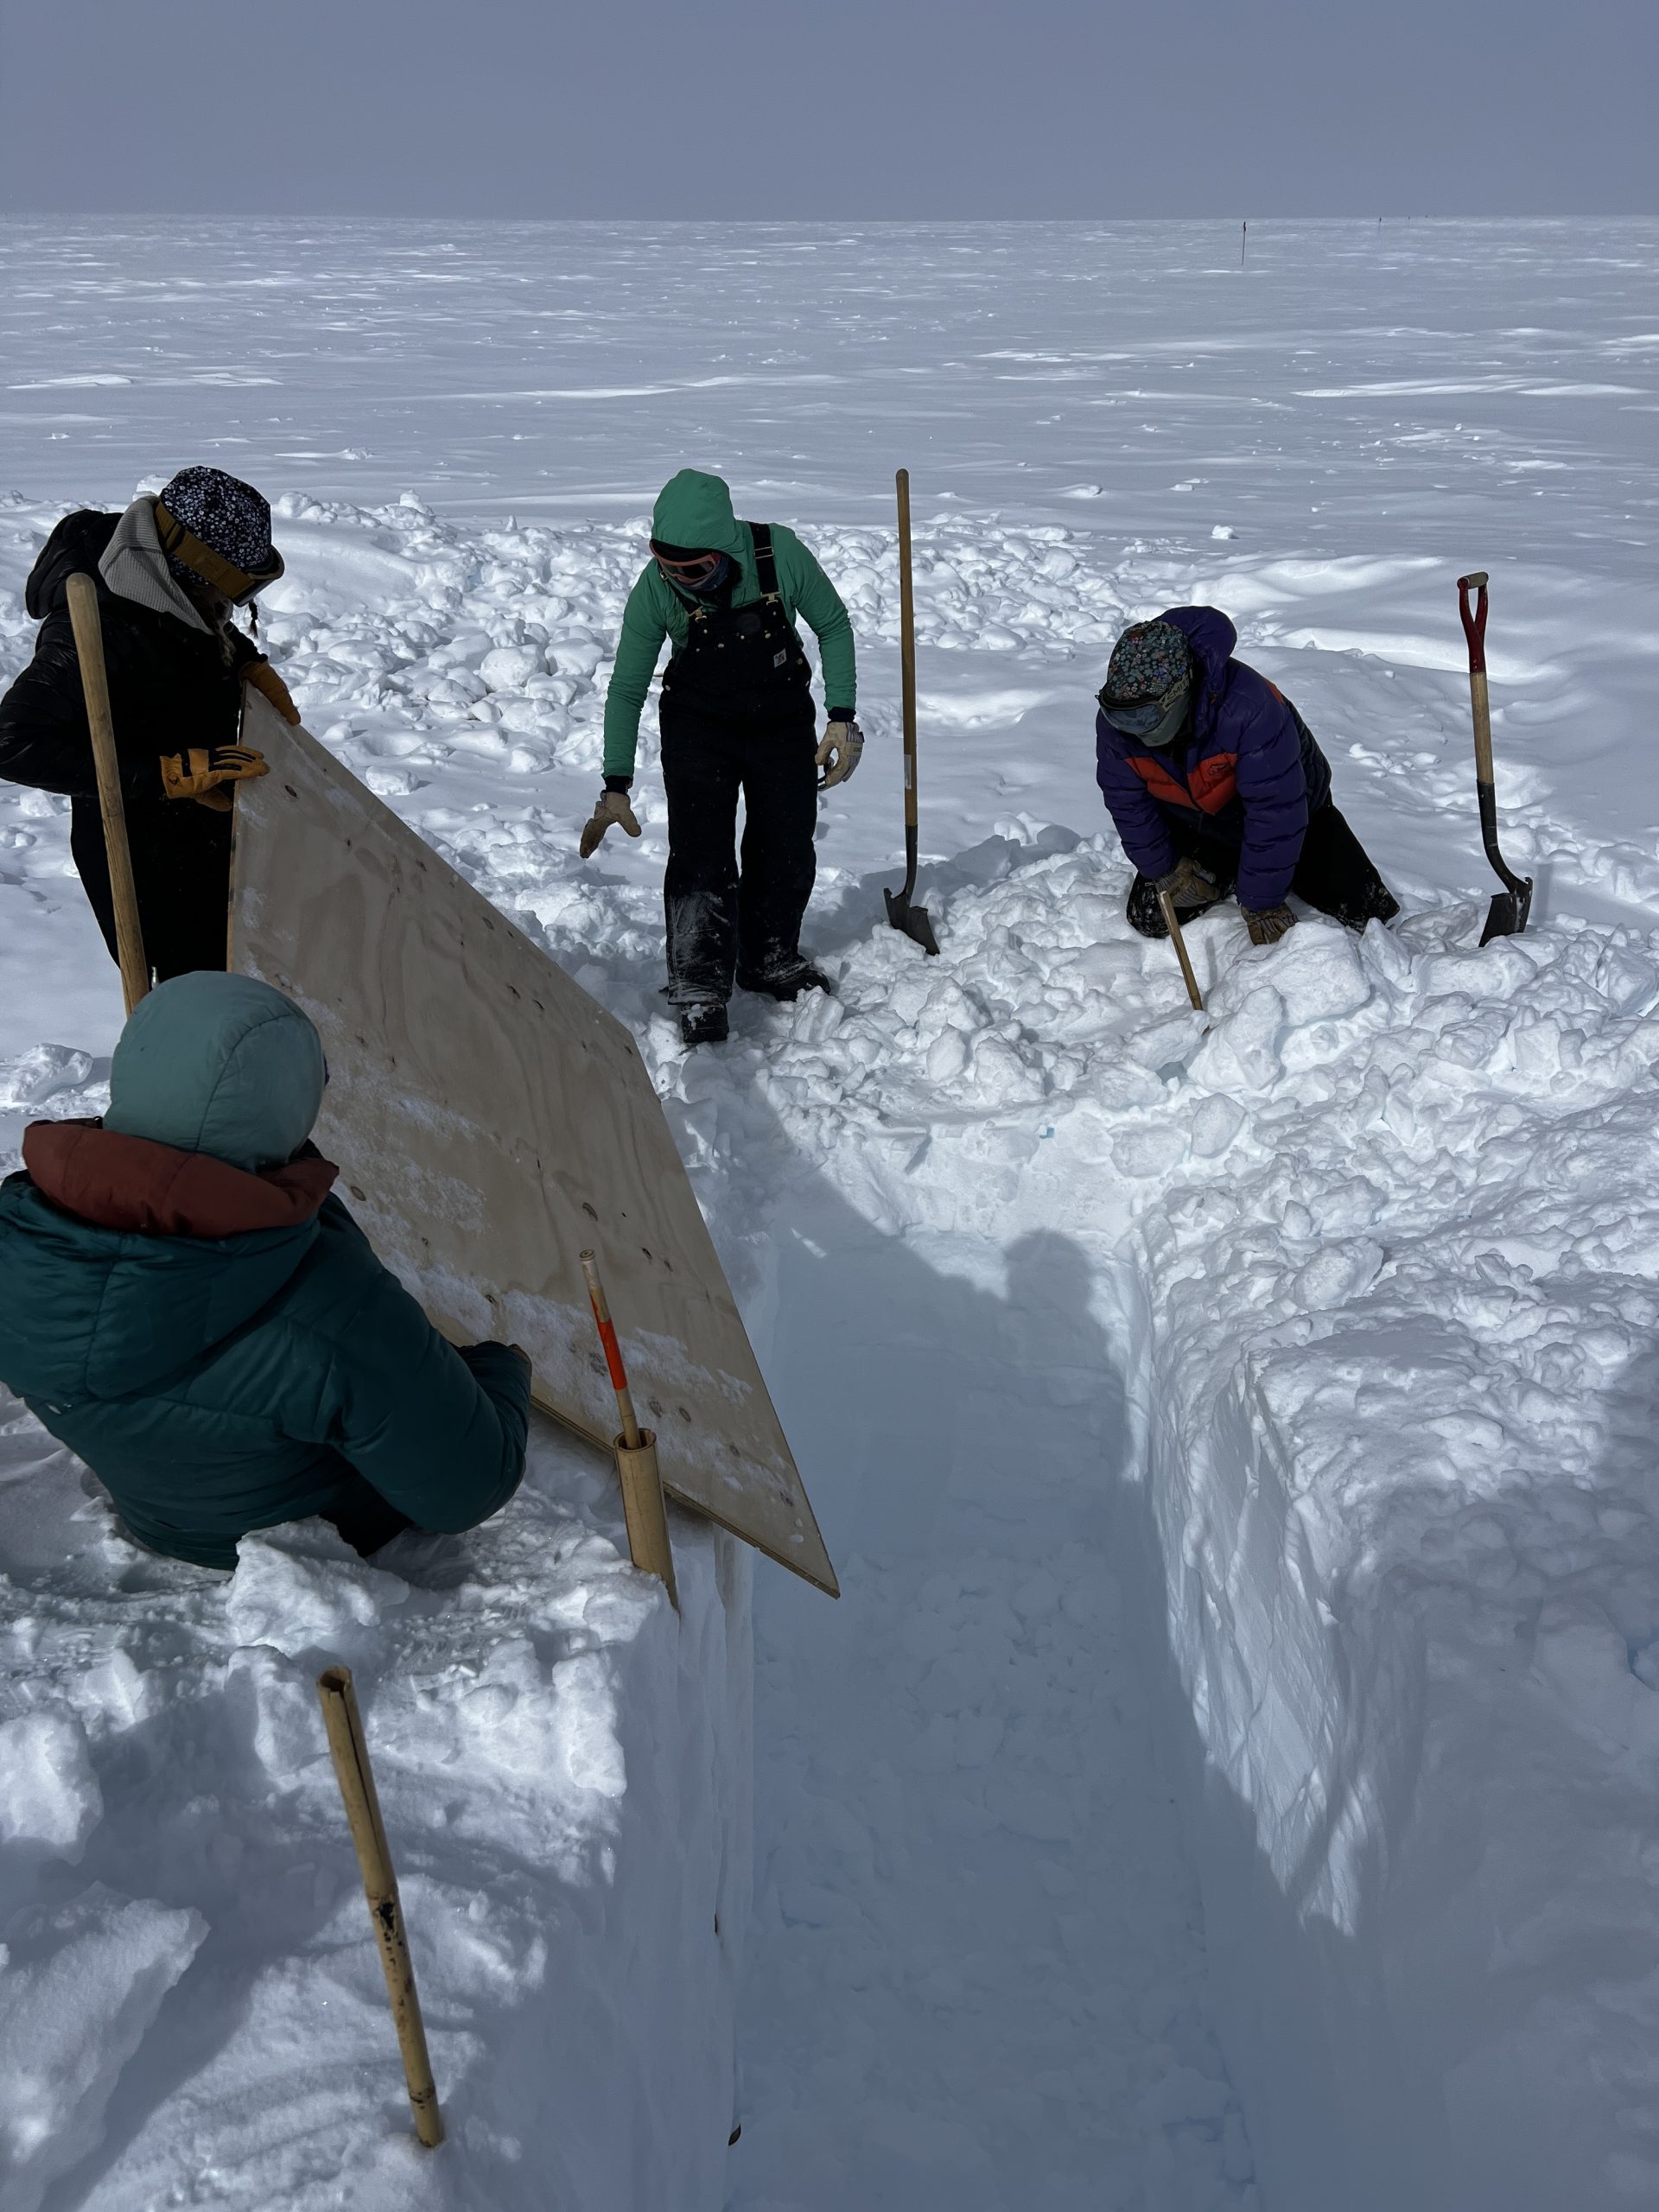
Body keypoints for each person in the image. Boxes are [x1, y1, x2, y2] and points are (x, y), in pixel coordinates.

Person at [0, 971, 532, 1570]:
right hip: (319, 1534)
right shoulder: (327, 1305)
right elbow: (471, 1486)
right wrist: (499, 1369)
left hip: (159, 1516)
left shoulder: (21, 1234)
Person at [580, 469, 862, 1048]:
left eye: (694, 569)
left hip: (781, 721)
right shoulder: (657, 588)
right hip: (698, 727)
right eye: (667, 564)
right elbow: (627, 685)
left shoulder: (776, 553)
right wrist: (616, 781)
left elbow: (833, 624)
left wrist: (841, 715)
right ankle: (699, 985)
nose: (678, 579)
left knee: (785, 840)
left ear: (724, 550)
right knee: (701, 854)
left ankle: (769, 958)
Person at [0, 467, 301, 985]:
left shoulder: (165, 576)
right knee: (194, 991)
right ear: (190, 568)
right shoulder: (93, 629)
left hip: (204, 821)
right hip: (140, 853)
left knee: (243, 962)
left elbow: (185, 629)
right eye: (230, 589)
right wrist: (165, 775)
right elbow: (12, 743)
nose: (231, 607)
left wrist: (242, 660)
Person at [1094, 608, 1399, 944]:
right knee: (1149, 916)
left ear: (1178, 693)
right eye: (1118, 715)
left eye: (1144, 716)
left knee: (1368, 914)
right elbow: (1128, 804)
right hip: (1199, 821)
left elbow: (1276, 809)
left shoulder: (1249, 708)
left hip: (1297, 813)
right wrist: (1166, 869)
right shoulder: (1116, 726)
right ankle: (1228, 870)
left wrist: (1261, 902)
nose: (1130, 730)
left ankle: (1264, 871)